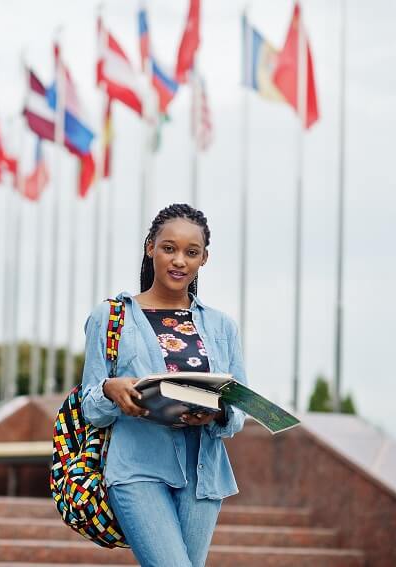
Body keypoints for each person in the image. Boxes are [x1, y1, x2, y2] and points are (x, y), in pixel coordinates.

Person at [81, 203, 247, 567]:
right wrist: (111, 389)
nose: (179, 261)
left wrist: (217, 413)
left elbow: (237, 415)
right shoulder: (110, 317)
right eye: (168, 248)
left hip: (204, 477)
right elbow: (90, 406)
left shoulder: (223, 327)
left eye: (191, 252)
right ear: (150, 247)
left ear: (204, 259)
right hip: (137, 467)